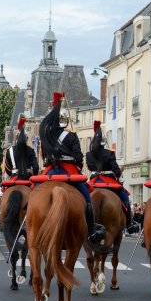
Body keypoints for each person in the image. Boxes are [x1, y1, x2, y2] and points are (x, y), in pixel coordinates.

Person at [37, 92, 104, 243]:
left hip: (51, 170)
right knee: (87, 198)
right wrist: (78, 165)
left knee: (35, 191)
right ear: (66, 121)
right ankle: (92, 231)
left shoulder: (47, 135)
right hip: (69, 170)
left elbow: (44, 156)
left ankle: (27, 223)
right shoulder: (72, 135)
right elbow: (79, 157)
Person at [86, 121, 138, 234]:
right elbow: (116, 170)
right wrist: (119, 175)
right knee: (125, 200)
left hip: (94, 182)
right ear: (104, 142)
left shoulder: (89, 154)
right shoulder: (109, 153)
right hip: (109, 181)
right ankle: (129, 225)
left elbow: (90, 167)